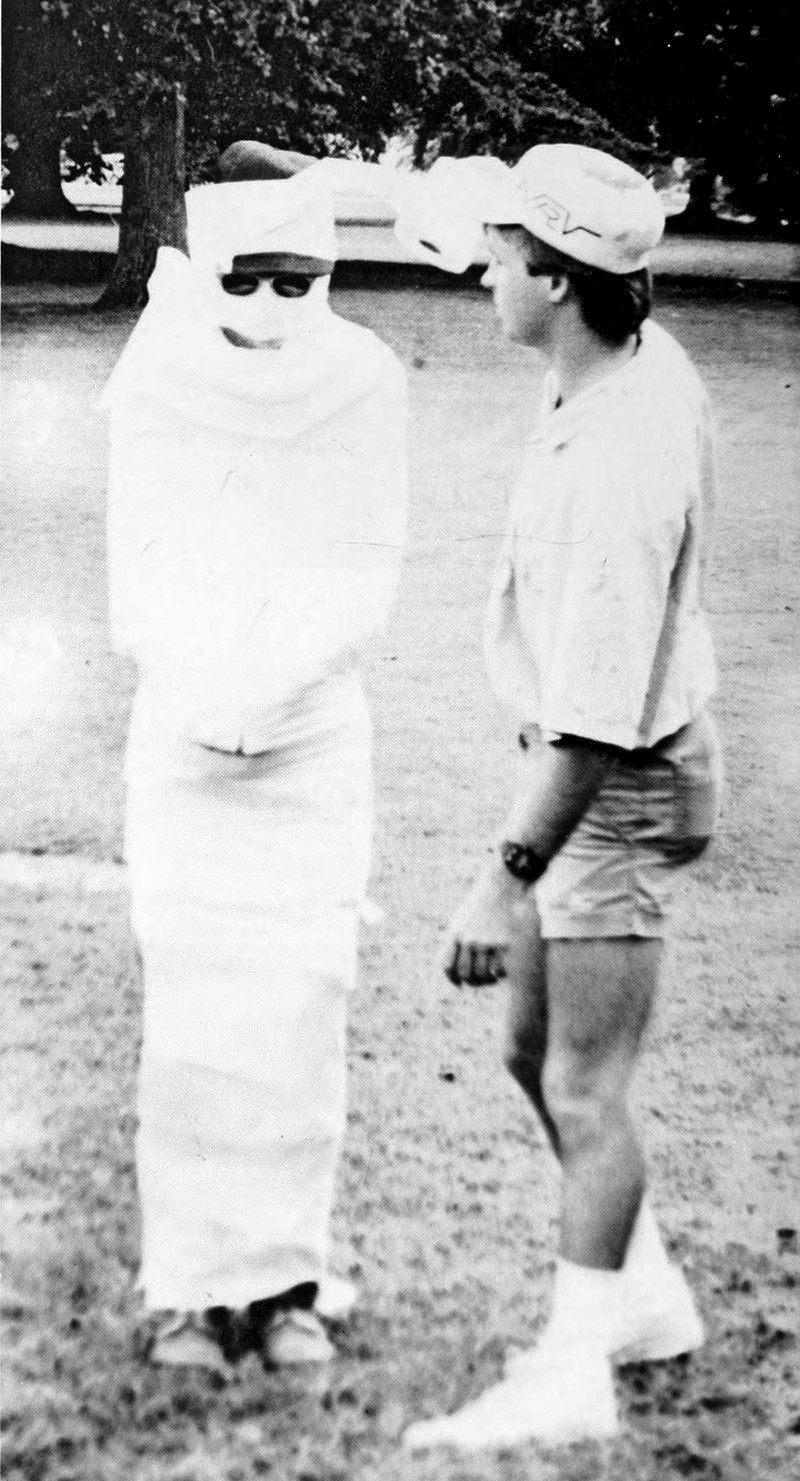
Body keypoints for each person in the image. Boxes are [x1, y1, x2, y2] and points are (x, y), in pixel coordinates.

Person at [393, 144, 723, 1451]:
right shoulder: (626, 355)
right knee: (535, 1056)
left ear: (555, 281)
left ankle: (575, 1368)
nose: (484, 272)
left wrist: (499, 879)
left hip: (612, 784)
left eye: (503, 256)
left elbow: (592, 720)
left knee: (583, 1086)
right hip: (595, 764)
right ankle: (643, 1302)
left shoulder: (615, 466)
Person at [103, 162, 408, 1376]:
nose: (276, 305)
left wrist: (277, 686)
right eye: (249, 280)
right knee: (191, 1015)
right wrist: (205, 693)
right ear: (209, 267)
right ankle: (187, 1289)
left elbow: (365, 564)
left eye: (299, 280)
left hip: (311, 734)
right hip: (184, 728)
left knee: (298, 1007)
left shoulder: (364, 376)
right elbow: (141, 564)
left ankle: (285, 1283)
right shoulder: (160, 375)